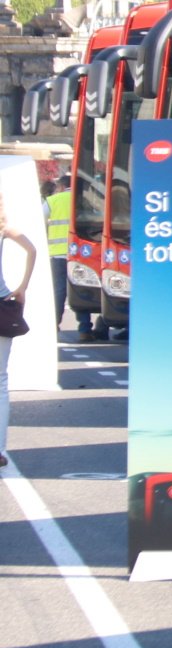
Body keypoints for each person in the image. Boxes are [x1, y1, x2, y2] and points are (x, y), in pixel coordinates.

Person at [0, 191, 37, 469]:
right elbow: (32, 249)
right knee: (0, 382)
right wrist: (22, 287)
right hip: (2, 307)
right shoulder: (4, 229)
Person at [41, 179, 68, 332]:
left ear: (61, 186)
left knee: (59, 289)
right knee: (83, 289)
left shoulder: (53, 200)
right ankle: (85, 329)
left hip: (57, 253)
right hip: (83, 253)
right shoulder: (86, 198)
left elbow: (39, 221)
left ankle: (54, 322)